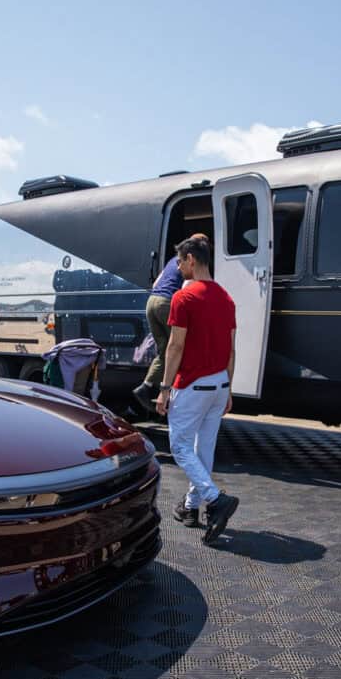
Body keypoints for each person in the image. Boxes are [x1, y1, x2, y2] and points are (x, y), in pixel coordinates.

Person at [155, 236, 240, 544]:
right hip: (219, 384)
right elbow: (231, 350)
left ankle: (215, 500)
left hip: (192, 384)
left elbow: (175, 346)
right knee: (203, 450)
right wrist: (228, 387)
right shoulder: (226, 298)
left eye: (179, 262)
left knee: (179, 447)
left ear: (191, 259)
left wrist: (164, 388)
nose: (178, 268)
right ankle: (191, 507)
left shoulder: (183, 297)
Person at [133, 233, 210, 412]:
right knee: (178, 348)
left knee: (164, 351)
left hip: (152, 302)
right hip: (168, 302)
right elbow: (187, 288)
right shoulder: (192, 262)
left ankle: (145, 386)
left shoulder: (173, 260)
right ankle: (174, 397)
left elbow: (156, 283)